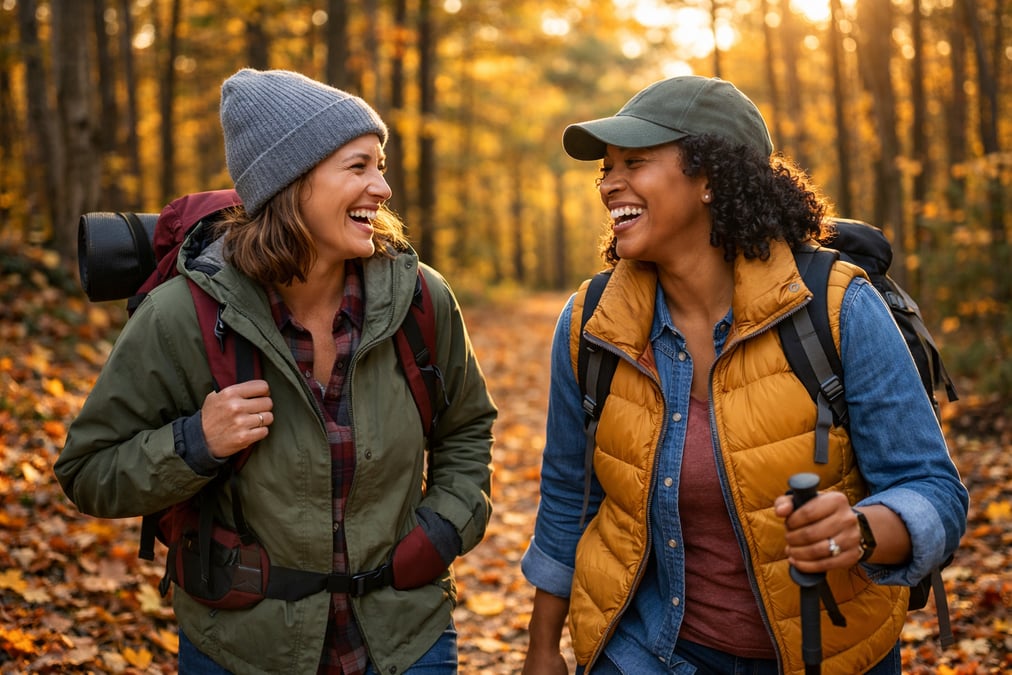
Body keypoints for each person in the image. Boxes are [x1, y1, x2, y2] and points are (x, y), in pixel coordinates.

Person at [520, 75, 968, 674]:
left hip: (826, 654)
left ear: (710, 178)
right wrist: (542, 650)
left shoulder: (836, 307)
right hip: (649, 650)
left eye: (635, 162)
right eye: (606, 168)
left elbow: (934, 491)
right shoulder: (592, 323)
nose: (609, 184)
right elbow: (569, 501)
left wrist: (859, 531)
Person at [55, 68, 496, 674]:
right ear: (293, 181)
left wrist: (443, 530)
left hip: (405, 640)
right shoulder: (183, 315)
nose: (383, 187)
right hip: (241, 650)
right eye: (359, 166)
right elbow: (88, 471)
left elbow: (467, 429)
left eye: (381, 165)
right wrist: (194, 443)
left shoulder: (419, 298)